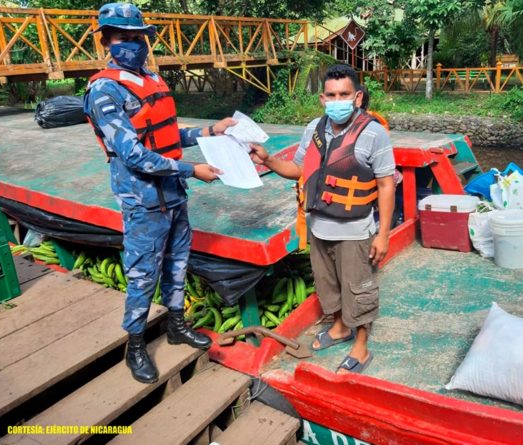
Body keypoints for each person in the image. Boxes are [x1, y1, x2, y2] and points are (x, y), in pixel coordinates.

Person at [83, 2, 237, 384]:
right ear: (106, 41)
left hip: (174, 192)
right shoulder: (105, 90)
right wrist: (193, 170)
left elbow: (167, 136)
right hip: (142, 200)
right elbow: (133, 154)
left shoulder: (150, 80)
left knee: (177, 263)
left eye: (138, 37)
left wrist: (209, 133)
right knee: (142, 274)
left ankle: (176, 325)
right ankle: (134, 345)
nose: (133, 44)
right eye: (123, 38)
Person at [249, 64, 396, 374]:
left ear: (357, 97)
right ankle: (341, 327)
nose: (337, 100)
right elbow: (299, 169)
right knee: (329, 285)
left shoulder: (373, 133)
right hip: (320, 226)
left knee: (359, 288)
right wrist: (269, 159)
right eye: (331, 95)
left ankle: (361, 345)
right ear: (322, 98)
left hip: (356, 229)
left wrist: (383, 234)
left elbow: (385, 185)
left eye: (344, 94)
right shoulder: (314, 128)